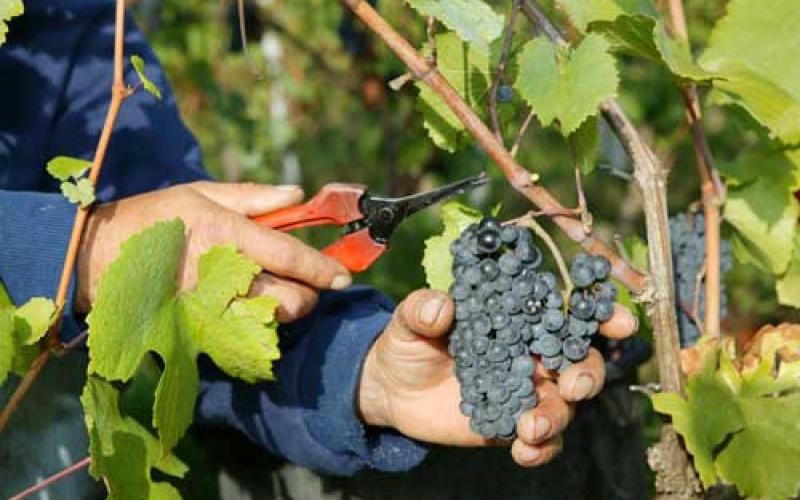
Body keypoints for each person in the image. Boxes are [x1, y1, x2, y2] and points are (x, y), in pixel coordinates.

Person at [0, 0, 638, 495]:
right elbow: (131, 247)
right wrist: (71, 250)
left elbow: (207, 292)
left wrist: (365, 374)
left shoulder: (74, 26)